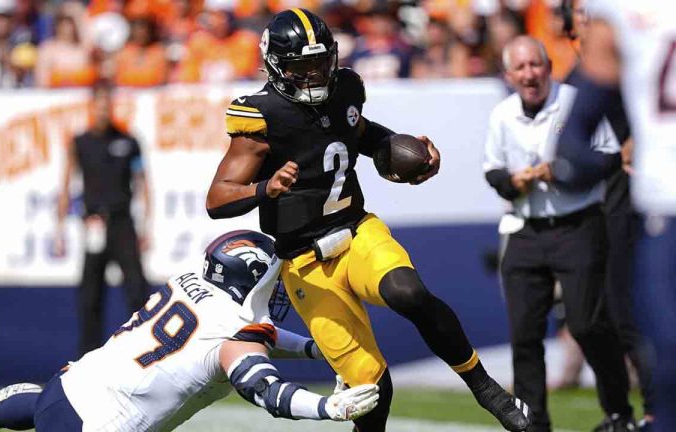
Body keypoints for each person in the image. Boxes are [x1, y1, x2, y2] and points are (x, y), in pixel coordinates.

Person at [206, 8, 531, 432]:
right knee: (372, 389)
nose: (314, 77)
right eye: (302, 69)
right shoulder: (261, 116)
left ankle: (485, 387)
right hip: (304, 262)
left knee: (407, 291)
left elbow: (358, 132)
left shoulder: (345, 88)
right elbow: (218, 198)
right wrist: (265, 189)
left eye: (320, 64)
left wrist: (402, 151)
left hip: (356, 230)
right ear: (277, 67)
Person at [0, 230, 380, 431]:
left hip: (69, 384)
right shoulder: (234, 336)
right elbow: (266, 392)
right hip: (99, 427)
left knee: (42, 412)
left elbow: (256, 337)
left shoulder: (189, 282)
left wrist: (316, 351)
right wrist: (329, 408)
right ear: (247, 280)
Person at [483, 36, 634, 432]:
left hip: (577, 224)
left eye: (536, 65)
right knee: (524, 333)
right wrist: (514, 181)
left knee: (587, 325)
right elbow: (493, 171)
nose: (530, 74)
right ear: (508, 75)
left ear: (549, 66)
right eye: (521, 68)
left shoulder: (572, 101)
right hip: (525, 228)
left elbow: (611, 156)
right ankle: (534, 422)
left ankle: (618, 412)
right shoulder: (502, 114)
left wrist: (566, 171)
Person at [554, 1, 676, 431]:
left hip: (659, 212)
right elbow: (574, 139)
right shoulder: (623, 14)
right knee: (665, 362)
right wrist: (598, 161)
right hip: (663, 210)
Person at [56, 80, 151, 356]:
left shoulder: (128, 141)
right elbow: (66, 184)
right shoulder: (80, 142)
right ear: (91, 107)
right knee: (90, 295)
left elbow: (144, 183)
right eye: (98, 105)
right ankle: (88, 356)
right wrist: (59, 229)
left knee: (136, 290)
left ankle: (142, 351)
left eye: (107, 105)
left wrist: (147, 225)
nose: (102, 111)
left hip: (122, 223)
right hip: (94, 223)